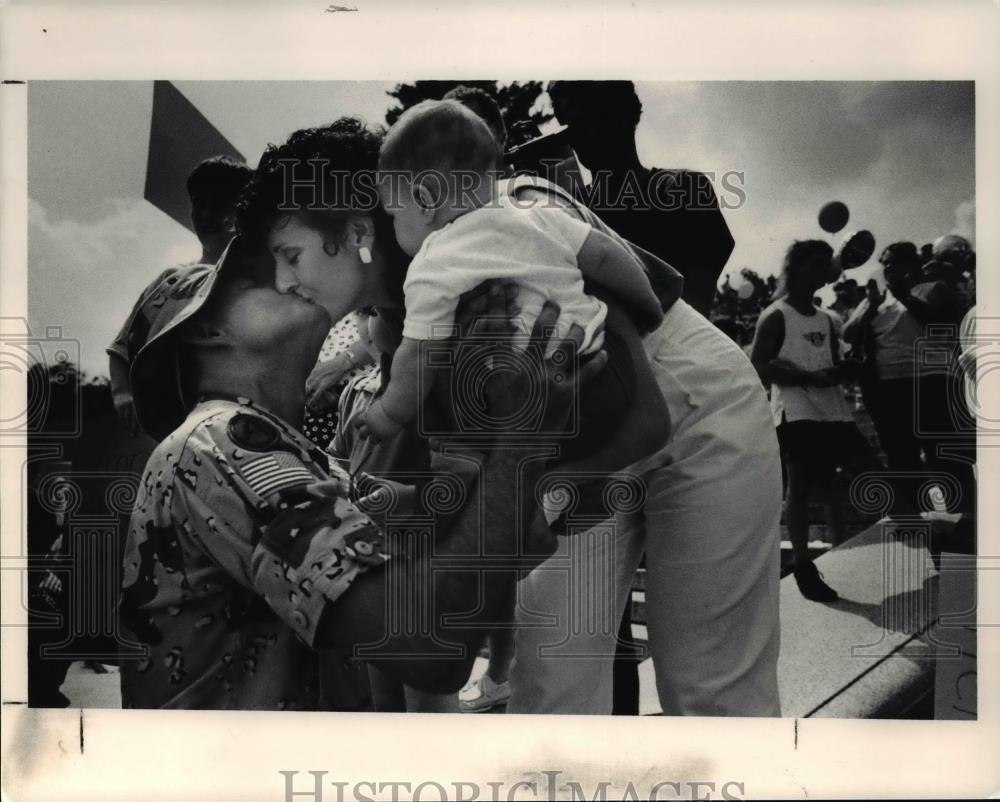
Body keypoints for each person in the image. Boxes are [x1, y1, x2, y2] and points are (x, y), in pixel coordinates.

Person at [117, 235, 598, 708]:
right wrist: (519, 444)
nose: (292, 277)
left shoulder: (302, 460)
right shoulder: (224, 442)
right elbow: (429, 650)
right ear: (208, 332)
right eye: (259, 277)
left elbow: (526, 541)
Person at [359, 99, 667, 460]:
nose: (394, 228)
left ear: (424, 200)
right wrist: (648, 304)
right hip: (609, 368)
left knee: (469, 441)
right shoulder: (532, 210)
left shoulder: (432, 264)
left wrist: (389, 413)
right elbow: (604, 254)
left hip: (546, 403)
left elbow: (419, 354)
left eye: (395, 215)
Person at [547, 80, 735, 318]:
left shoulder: (683, 189)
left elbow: (689, 312)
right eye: (567, 124)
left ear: (623, 114)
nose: (575, 135)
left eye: (586, 119)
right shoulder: (568, 205)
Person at [751, 240, 873, 603]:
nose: (824, 271)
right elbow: (757, 365)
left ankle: (845, 550)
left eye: (826, 264)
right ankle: (804, 564)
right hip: (796, 411)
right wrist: (807, 377)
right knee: (801, 488)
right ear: (798, 268)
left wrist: (845, 369)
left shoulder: (827, 317)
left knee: (863, 474)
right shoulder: (776, 314)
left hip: (834, 411)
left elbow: (835, 362)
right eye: (817, 263)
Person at [107, 156, 253, 433]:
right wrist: (122, 393)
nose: (208, 214)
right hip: (167, 426)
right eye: (200, 203)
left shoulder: (256, 284)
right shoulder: (170, 281)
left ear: (242, 210)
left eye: (220, 203)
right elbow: (122, 348)